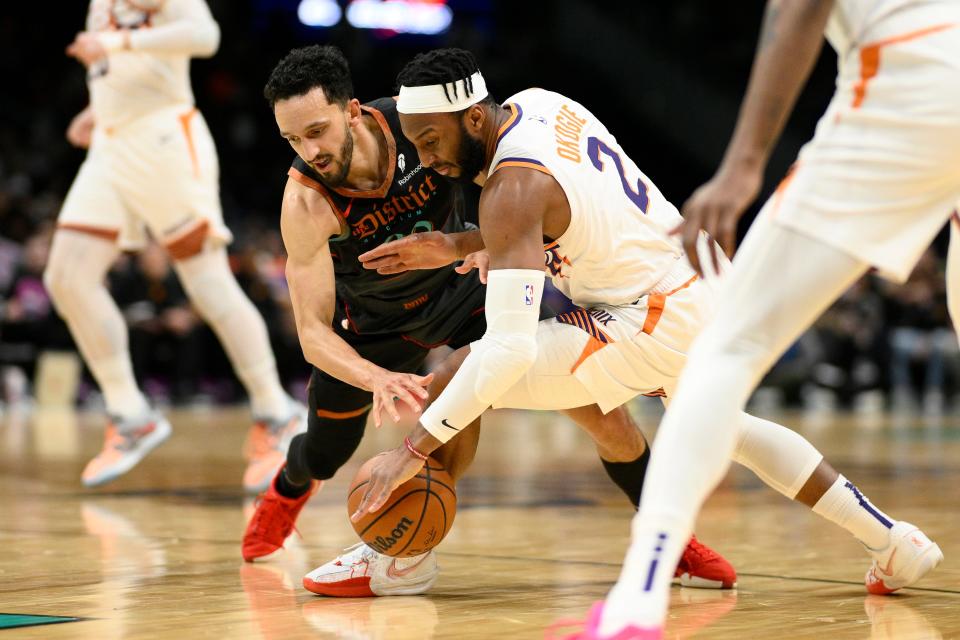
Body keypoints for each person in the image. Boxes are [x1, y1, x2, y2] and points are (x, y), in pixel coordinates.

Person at [348, 47, 942, 635]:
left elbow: (510, 348)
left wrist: (412, 451)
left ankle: (401, 561)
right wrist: (463, 245)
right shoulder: (539, 103)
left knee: (461, 374)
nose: (425, 160)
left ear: (473, 118)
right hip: (700, 275)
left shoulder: (510, 189)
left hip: (651, 314)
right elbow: (574, 208)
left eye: (430, 140)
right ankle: (894, 542)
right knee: (730, 431)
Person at [241, 45, 735, 596]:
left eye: (317, 131)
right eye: (293, 141)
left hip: (463, 298)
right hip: (376, 332)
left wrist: (484, 246)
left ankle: (671, 544)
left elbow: (499, 185)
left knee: (604, 415)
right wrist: (375, 377)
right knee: (326, 451)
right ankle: (286, 489)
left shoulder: (416, 123)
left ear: (352, 110)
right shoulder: (305, 203)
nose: (310, 152)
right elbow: (311, 332)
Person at [576, 0, 960, 636]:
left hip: (914, 78)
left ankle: (638, 599)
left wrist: (742, 165)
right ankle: (892, 543)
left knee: (727, 349)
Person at [46, 0, 305, 491]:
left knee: (207, 284)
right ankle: (130, 413)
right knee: (66, 277)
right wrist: (96, 108)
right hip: (111, 144)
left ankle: (277, 411)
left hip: (163, 139)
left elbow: (203, 34)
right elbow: (126, 63)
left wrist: (116, 43)